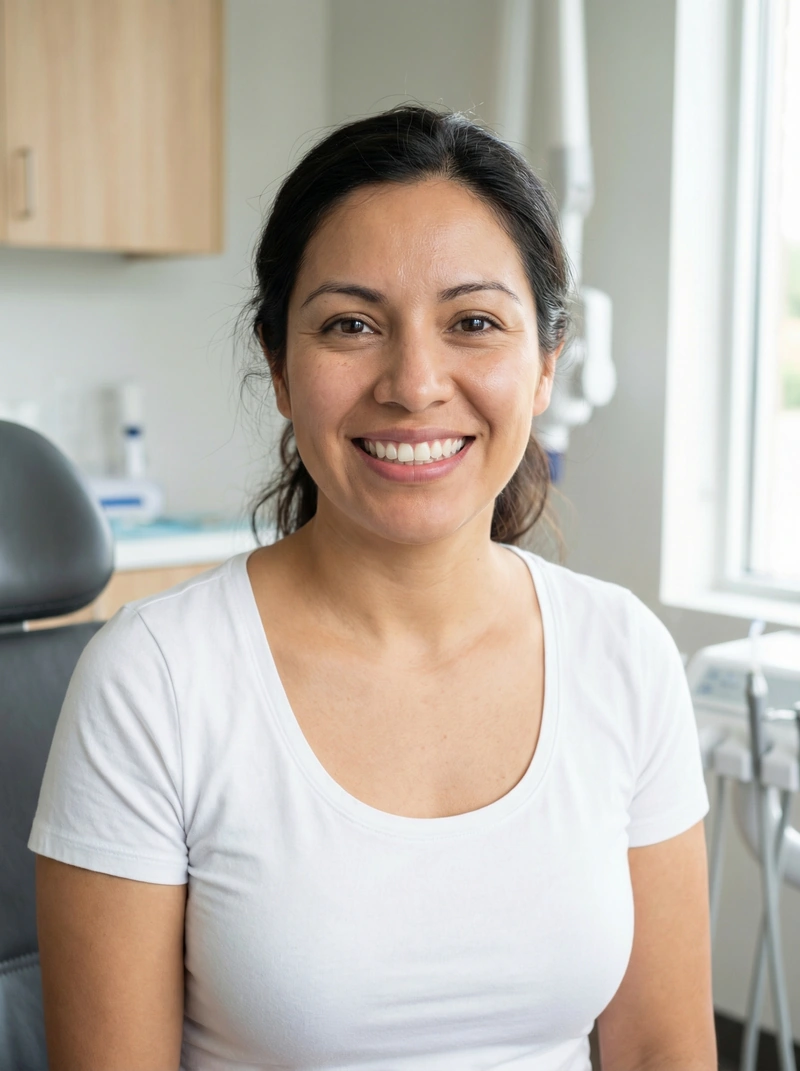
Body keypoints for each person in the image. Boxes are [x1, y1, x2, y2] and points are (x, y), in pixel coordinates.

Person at [29, 105, 716, 1071]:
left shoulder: (623, 654)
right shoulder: (157, 680)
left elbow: (662, 1053)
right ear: (278, 363)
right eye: (352, 324)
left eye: (474, 322)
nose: (415, 381)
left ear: (546, 363)